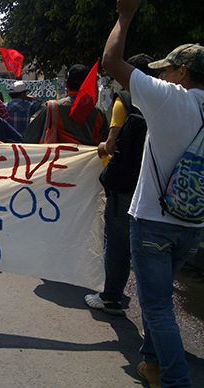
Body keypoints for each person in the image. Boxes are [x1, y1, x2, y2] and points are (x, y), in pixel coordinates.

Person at [102, 0, 204, 386]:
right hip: (193, 224)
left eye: (170, 69)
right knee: (157, 296)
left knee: (158, 305)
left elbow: (112, 62)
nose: (167, 75)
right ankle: (153, 363)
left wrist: (124, 16)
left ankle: (176, 380)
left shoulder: (169, 98)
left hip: (154, 222)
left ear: (182, 71)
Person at [84, 54, 156, 317]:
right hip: (157, 185)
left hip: (126, 184)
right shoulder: (164, 101)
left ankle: (111, 297)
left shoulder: (124, 101)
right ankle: (156, 308)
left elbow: (110, 146)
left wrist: (98, 150)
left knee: (117, 242)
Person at [24, 64, 108, 145]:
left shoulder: (52, 108)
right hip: (90, 159)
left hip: (58, 159)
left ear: (67, 84)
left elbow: (30, 138)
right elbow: (106, 145)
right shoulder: (99, 114)